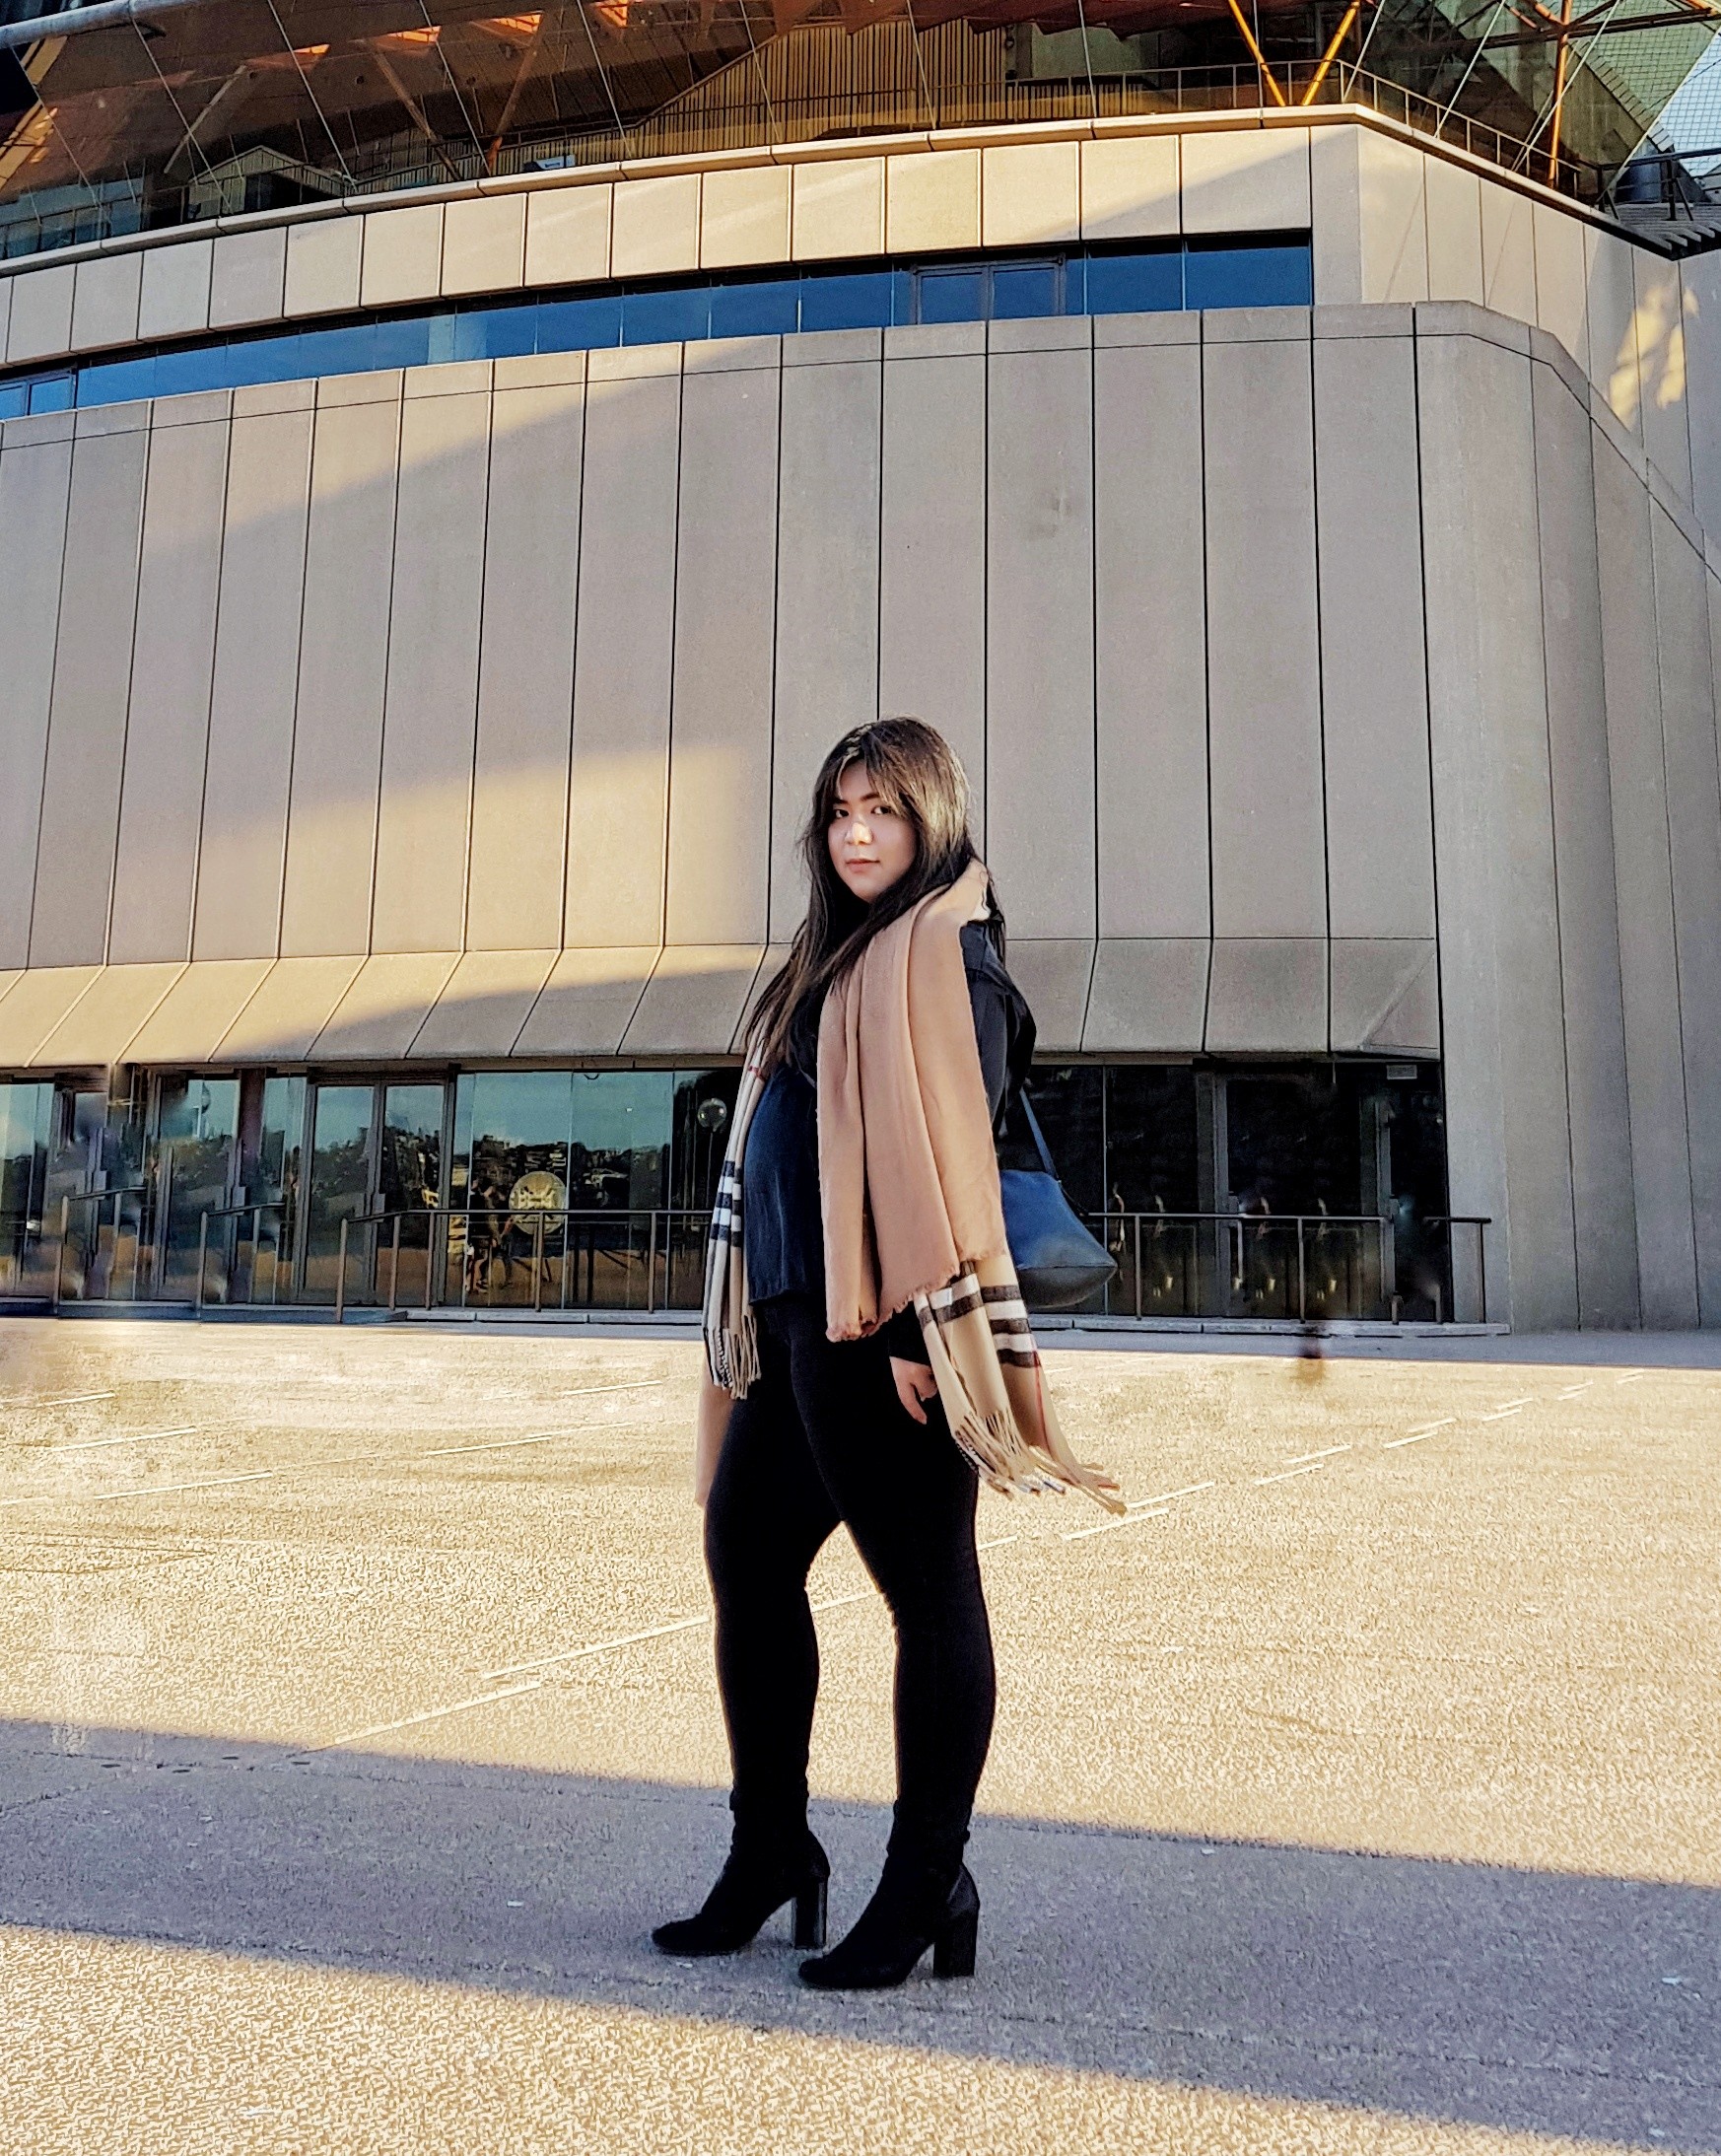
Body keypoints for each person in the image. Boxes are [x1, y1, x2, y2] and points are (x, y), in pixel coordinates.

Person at [653, 718, 1118, 1992]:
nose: (857, 833)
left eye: (884, 811)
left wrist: (921, 1330)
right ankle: (771, 1848)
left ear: (931, 819)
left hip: (886, 1325)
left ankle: (926, 1881)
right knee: (748, 1555)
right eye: (840, 811)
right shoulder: (837, 956)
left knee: (927, 1592)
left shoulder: (949, 956)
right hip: (798, 1320)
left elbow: (953, 1150)